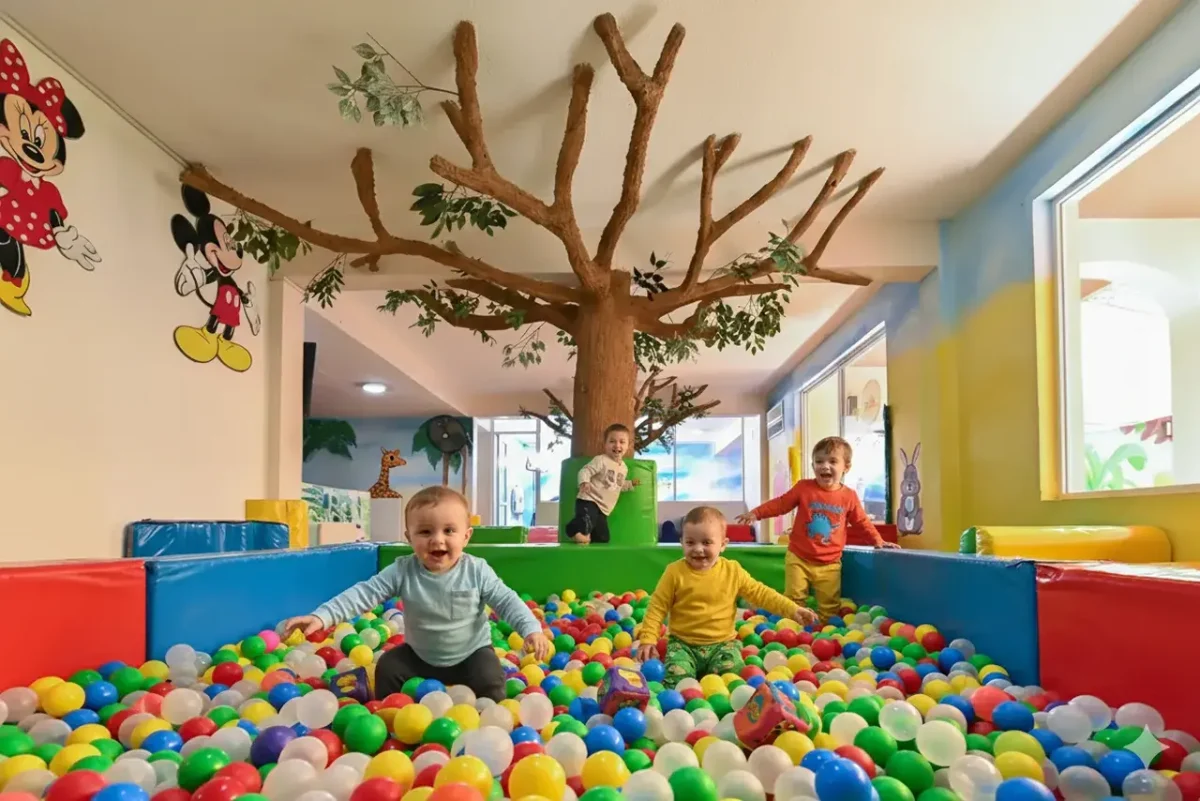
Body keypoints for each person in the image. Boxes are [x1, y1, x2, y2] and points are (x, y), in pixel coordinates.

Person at [282, 486, 550, 701]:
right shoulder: (403, 570)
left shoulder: (476, 570)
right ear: (409, 537)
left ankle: (488, 723)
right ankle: (388, 713)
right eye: (425, 531)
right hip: (419, 656)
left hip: (470, 654)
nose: (437, 539)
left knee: (490, 677)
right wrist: (322, 616)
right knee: (388, 666)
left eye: (449, 531)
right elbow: (364, 593)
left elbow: (507, 600)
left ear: (466, 536)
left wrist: (531, 629)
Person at [636, 506, 816, 688]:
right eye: (690, 542)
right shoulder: (675, 573)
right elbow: (657, 606)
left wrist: (792, 609)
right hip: (682, 645)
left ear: (723, 544)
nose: (698, 549)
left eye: (706, 542)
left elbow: (762, 594)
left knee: (733, 677)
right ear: (682, 542)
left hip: (722, 645)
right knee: (676, 679)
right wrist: (648, 639)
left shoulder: (732, 571)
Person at [737, 436, 899, 623]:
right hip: (799, 557)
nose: (825, 466)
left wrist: (878, 541)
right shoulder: (804, 488)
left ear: (846, 467)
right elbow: (781, 504)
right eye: (819, 461)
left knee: (829, 605)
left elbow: (862, 522)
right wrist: (756, 513)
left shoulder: (849, 496)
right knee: (794, 598)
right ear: (813, 465)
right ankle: (794, 627)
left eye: (832, 461)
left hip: (829, 563)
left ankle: (824, 628)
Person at [565, 423, 640, 544]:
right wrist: (584, 481)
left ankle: (588, 539)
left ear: (628, 446)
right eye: (612, 441)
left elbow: (617, 485)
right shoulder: (601, 460)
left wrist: (630, 484)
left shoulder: (624, 468)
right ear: (605, 444)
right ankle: (572, 529)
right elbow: (585, 470)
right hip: (589, 499)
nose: (617, 445)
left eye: (622, 442)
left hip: (603, 508)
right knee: (587, 522)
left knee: (603, 538)